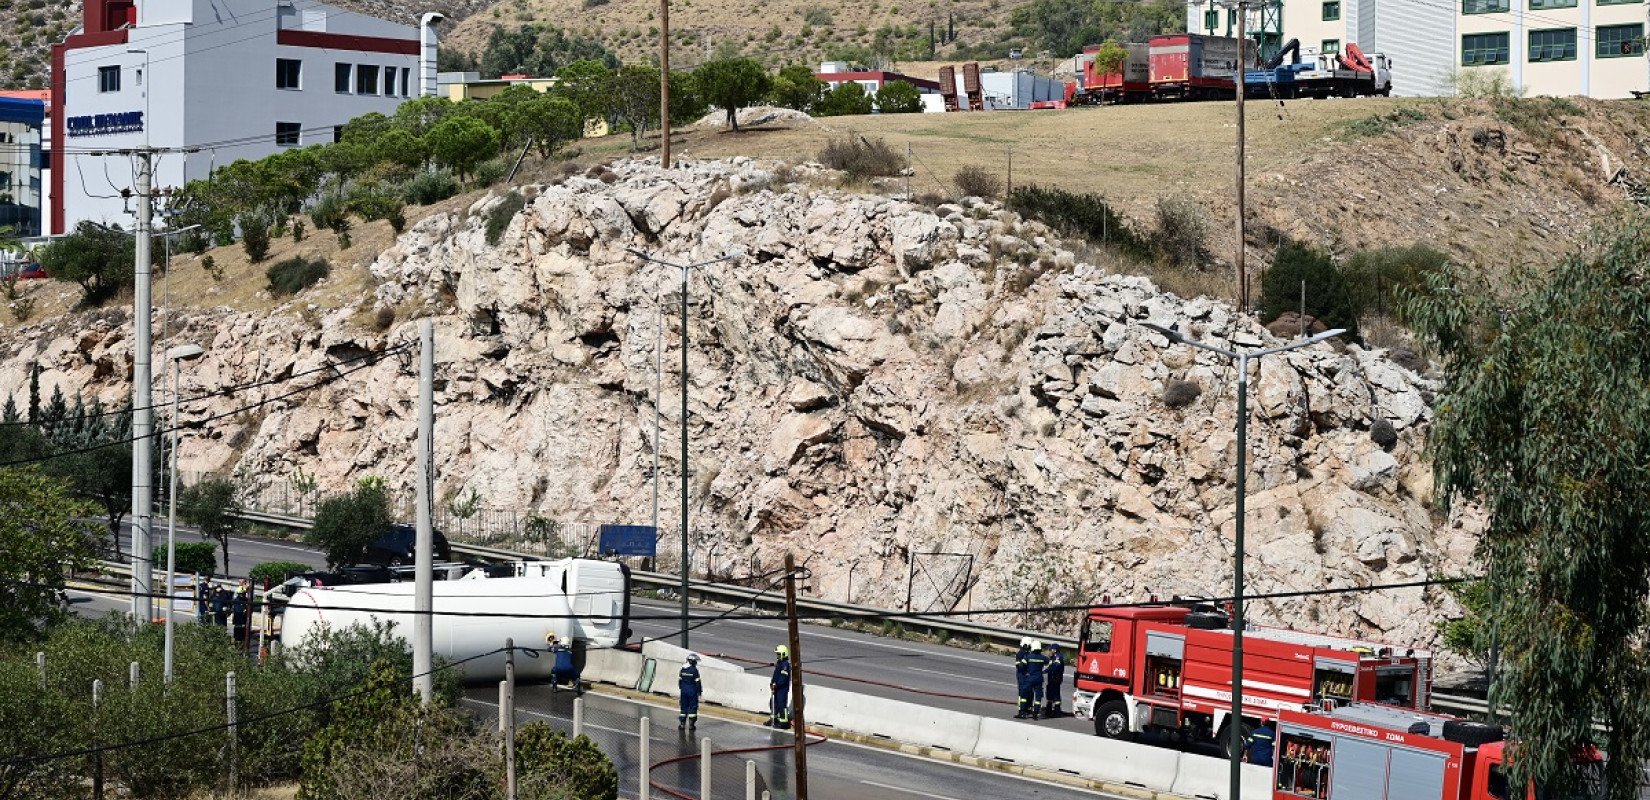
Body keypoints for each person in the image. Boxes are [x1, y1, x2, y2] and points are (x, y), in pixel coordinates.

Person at [1022, 640, 1049, 720]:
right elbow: (1048, 662)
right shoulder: (1042, 658)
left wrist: (1025, 673)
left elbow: (1021, 666)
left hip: (1030, 679)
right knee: (1038, 697)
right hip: (1039, 679)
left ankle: (1023, 712)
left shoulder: (1029, 656)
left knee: (1025, 695)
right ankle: (1035, 713)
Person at [770, 644, 792, 728]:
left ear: (784, 654)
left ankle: (784, 722)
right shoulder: (779, 663)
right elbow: (776, 675)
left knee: (782, 705)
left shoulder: (785, 665)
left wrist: (777, 684)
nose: (777, 656)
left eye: (779, 654)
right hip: (776, 687)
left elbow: (783, 678)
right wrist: (772, 683)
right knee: (773, 703)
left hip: (782, 689)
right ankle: (773, 719)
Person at [679, 653, 703, 731]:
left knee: (683, 707)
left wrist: (682, 689)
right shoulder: (694, 670)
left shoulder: (682, 669)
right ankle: (691, 725)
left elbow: (680, 682)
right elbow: (697, 682)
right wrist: (699, 692)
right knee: (693, 708)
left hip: (683, 692)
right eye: (695, 661)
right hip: (692, 692)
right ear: (692, 661)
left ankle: (682, 724)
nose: (696, 663)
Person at [1043, 643, 1065, 718]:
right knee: (1050, 692)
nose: (1050, 650)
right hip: (1051, 678)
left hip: (1055, 678)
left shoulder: (1058, 657)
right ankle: (1049, 709)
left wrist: (1046, 670)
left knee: (1055, 694)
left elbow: (1055, 666)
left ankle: (1057, 711)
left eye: (1051, 649)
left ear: (1055, 650)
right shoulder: (1053, 657)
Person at [1013, 638, 1032, 718]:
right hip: (1025, 675)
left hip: (1022, 675)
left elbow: (1018, 666)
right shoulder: (1026, 654)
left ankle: (1022, 710)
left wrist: (1025, 673)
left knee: (1022, 693)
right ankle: (1027, 709)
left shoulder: (1021, 653)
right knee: (1027, 692)